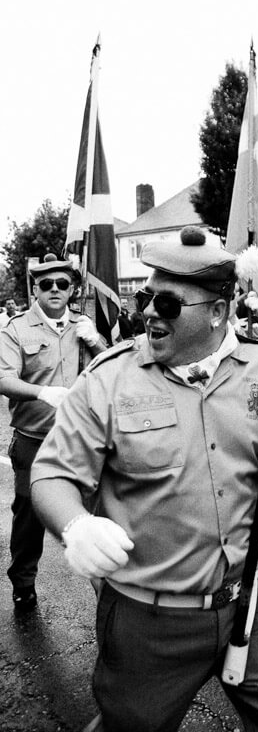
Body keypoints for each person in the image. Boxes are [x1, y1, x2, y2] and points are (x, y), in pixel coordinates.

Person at [30, 227, 258, 732]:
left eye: (167, 303)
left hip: (255, 599)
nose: (150, 312)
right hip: (152, 618)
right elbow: (51, 473)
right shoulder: (108, 380)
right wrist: (75, 525)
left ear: (219, 311)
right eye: (145, 298)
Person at [0, 254, 106, 612]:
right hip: (34, 439)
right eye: (47, 285)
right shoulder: (16, 328)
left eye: (63, 284)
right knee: (30, 514)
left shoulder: (82, 324)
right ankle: (24, 582)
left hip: (79, 437)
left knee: (97, 511)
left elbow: (114, 368)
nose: (55, 290)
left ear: (73, 289)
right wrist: (42, 392)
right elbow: (3, 378)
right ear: (35, 289)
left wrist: (96, 342)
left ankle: (108, 590)